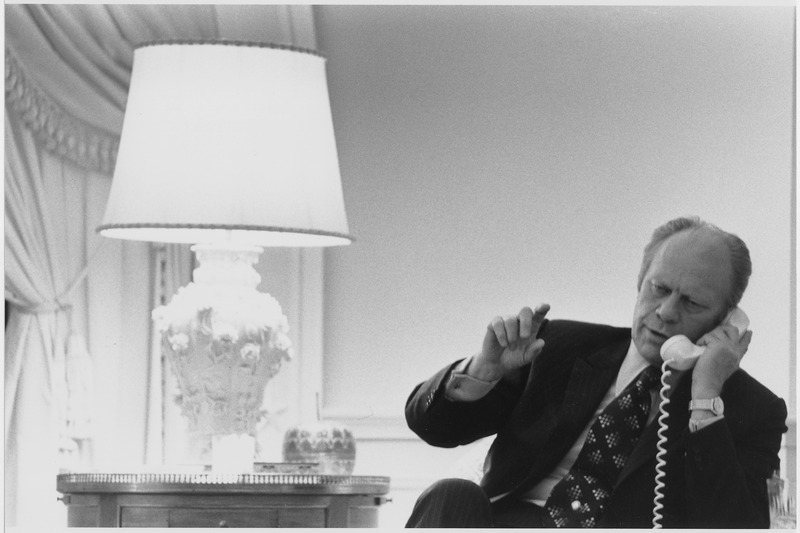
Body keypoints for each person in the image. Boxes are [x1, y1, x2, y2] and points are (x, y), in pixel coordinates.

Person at [405, 216, 787, 528]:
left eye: (692, 302)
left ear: (726, 320)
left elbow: (738, 525)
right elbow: (432, 426)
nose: (666, 311)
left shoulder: (752, 409)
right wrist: (483, 370)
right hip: (510, 521)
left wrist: (705, 396)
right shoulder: (559, 347)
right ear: (640, 281)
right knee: (451, 494)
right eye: (659, 289)